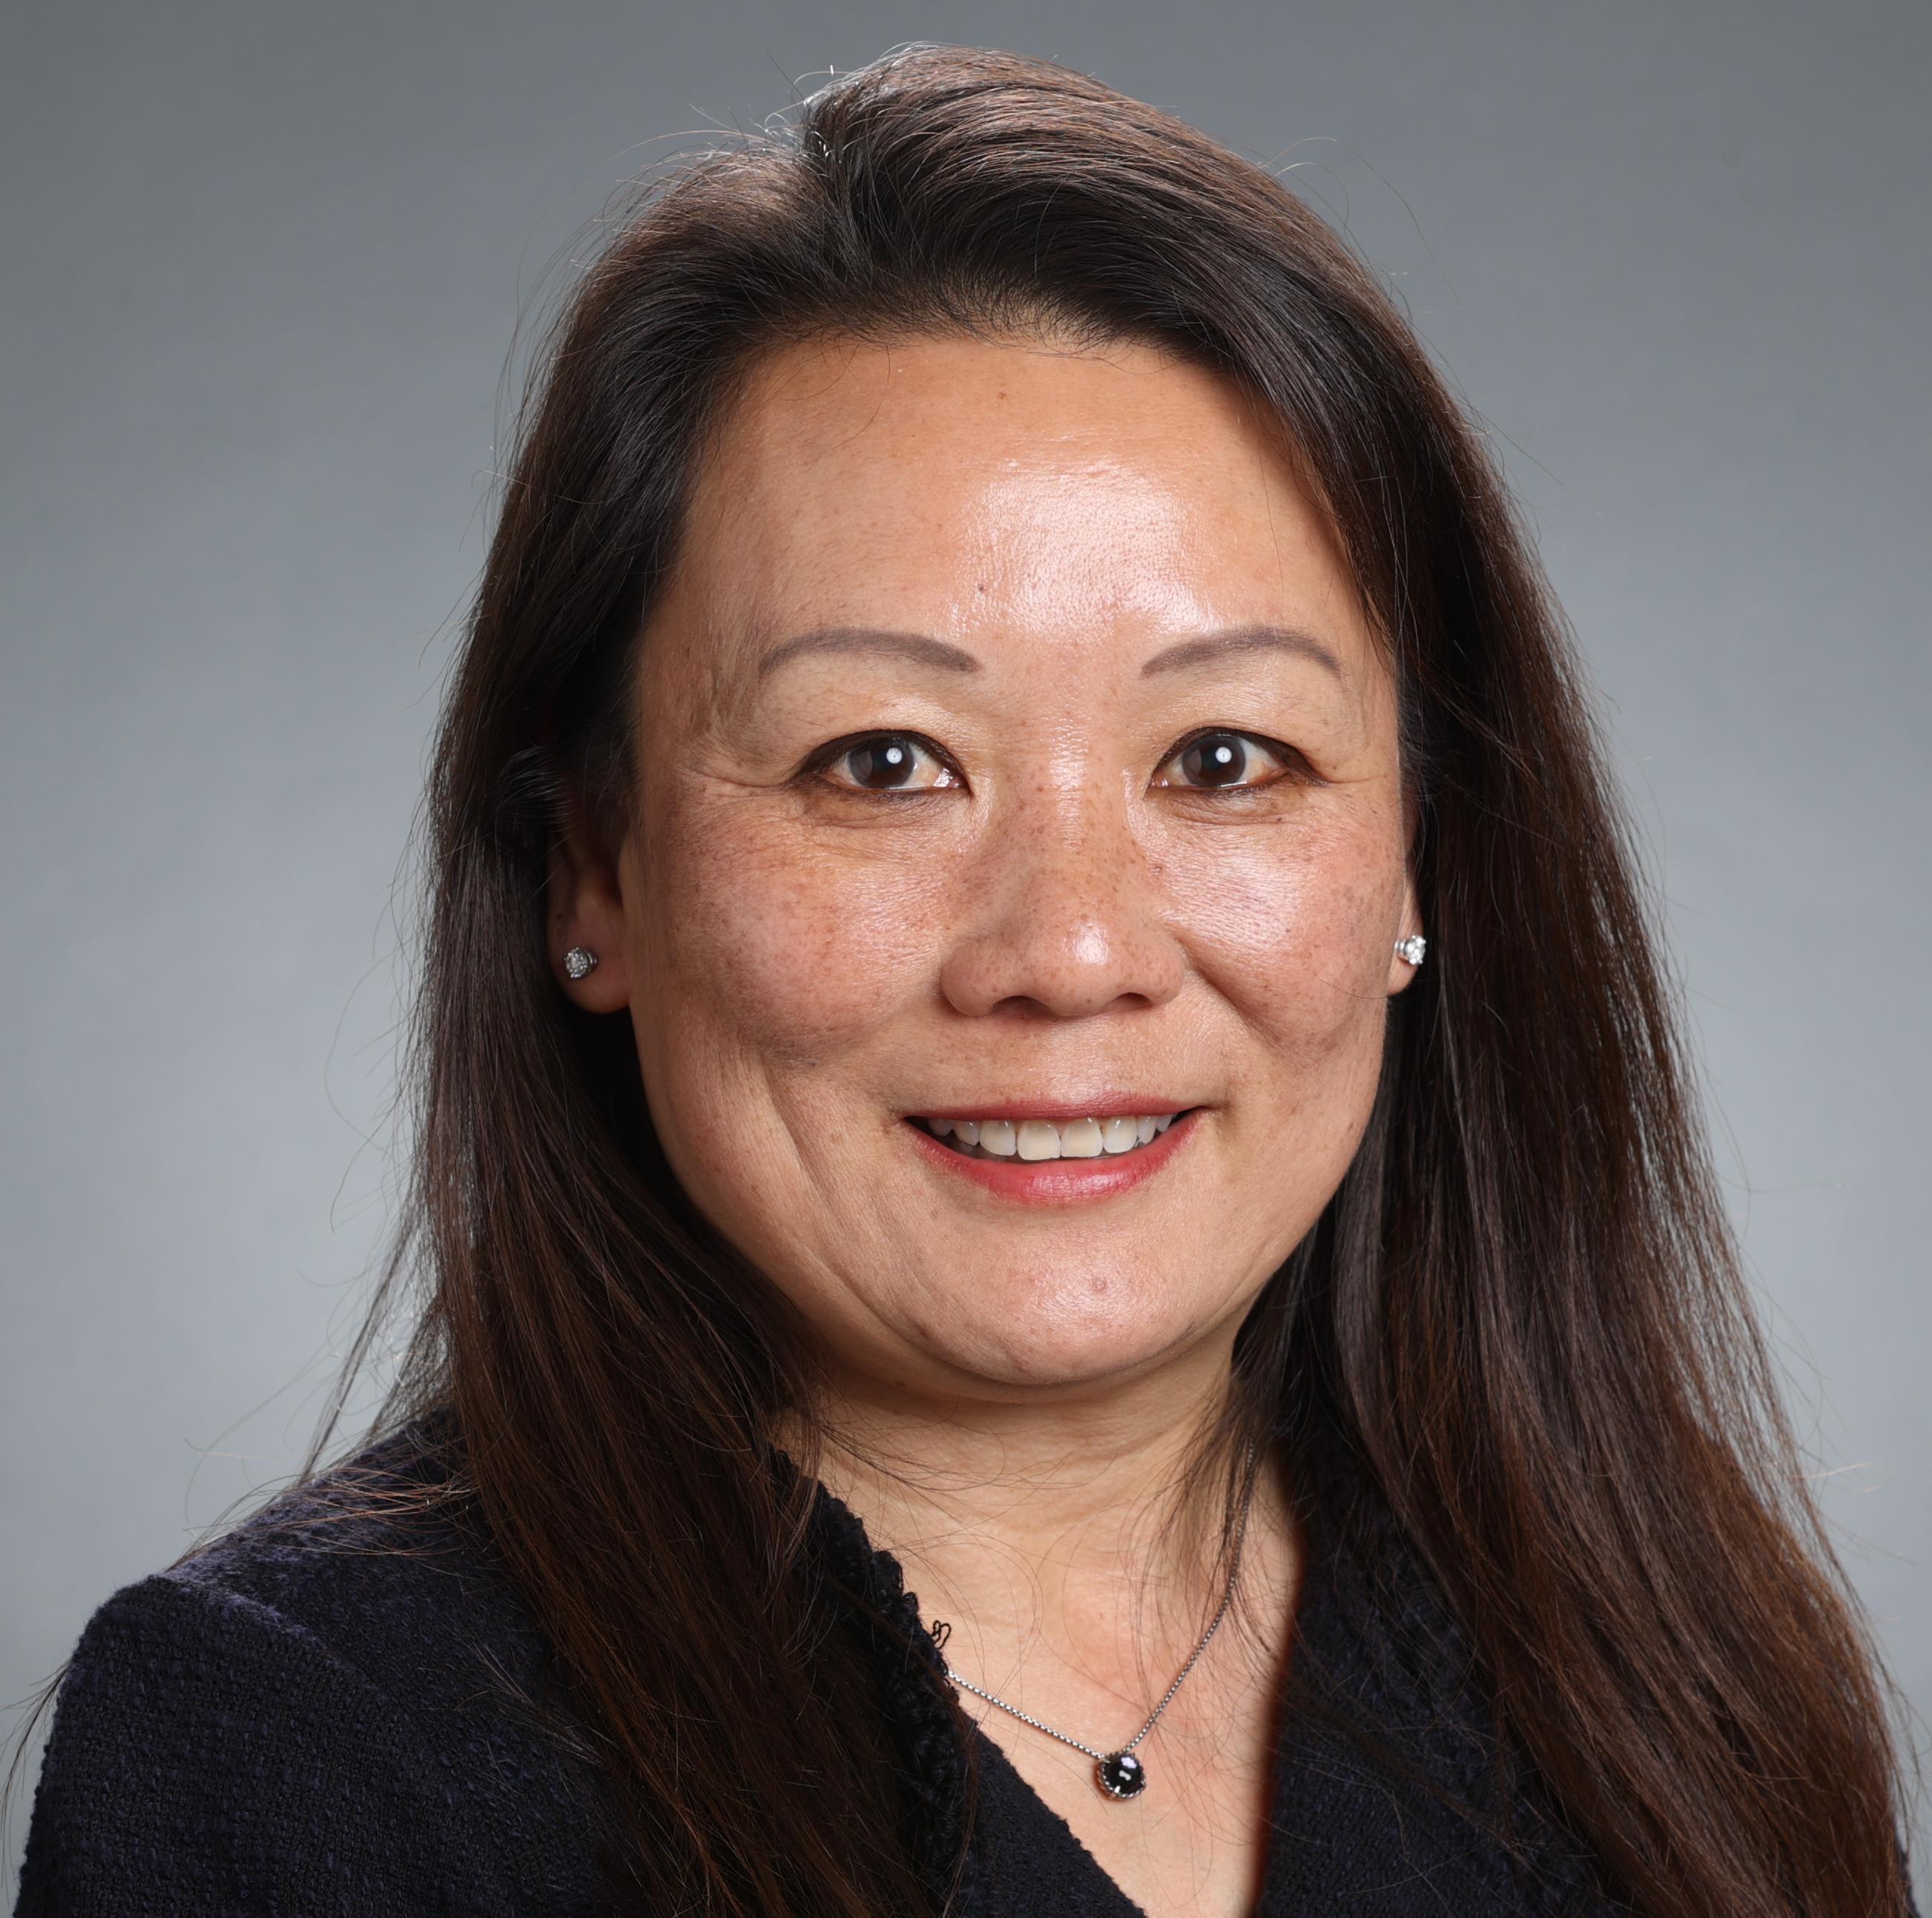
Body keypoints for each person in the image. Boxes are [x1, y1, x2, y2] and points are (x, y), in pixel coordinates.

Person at [12, 43, 1916, 1918]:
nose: (1071, 953)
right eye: (882, 763)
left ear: (1419, 851)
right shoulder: (295, 1758)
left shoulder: (1669, 1679)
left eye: (1225, 759)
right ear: (595, 867)